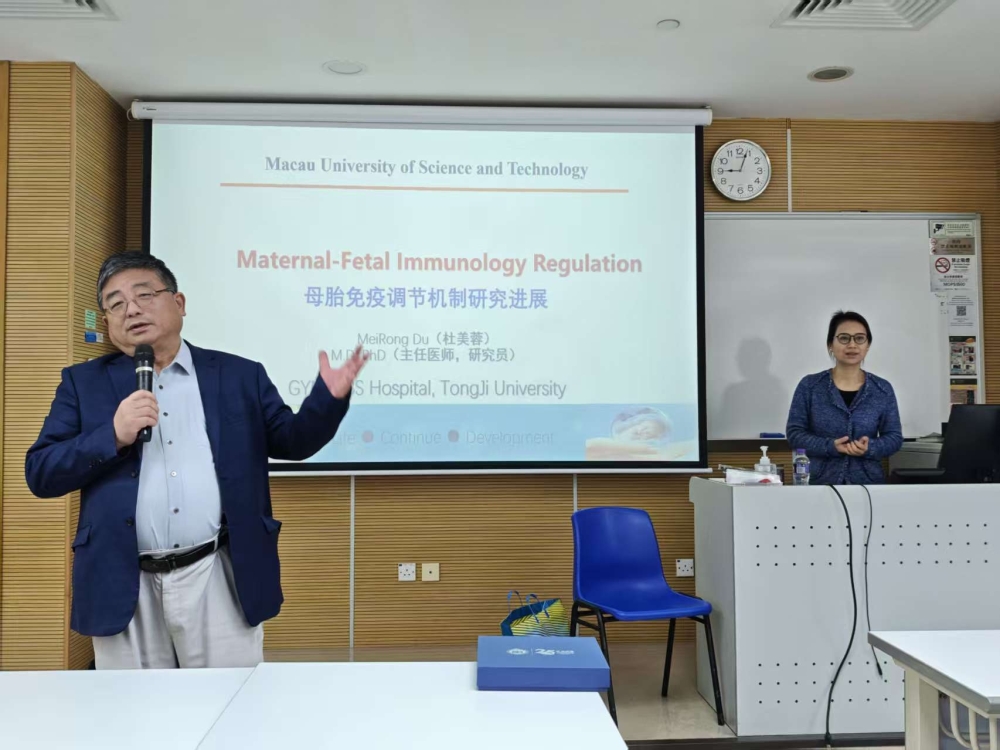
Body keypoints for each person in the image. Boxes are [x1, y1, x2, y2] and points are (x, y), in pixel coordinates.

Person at [25, 251, 367, 669]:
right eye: (115, 303)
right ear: (109, 322)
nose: (131, 309)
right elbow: (41, 471)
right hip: (123, 581)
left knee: (229, 703)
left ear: (179, 303)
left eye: (144, 295)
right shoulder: (83, 384)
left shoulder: (239, 376)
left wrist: (327, 400)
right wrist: (111, 435)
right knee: (132, 708)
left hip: (217, 575)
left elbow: (293, 441)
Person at [786, 311, 903, 484]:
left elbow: (894, 437)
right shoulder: (810, 386)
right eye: (844, 338)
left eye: (859, 338)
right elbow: (795, 434)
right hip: (820, 482)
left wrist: (870, 447)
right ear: (830, 345)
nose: (852, 345)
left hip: (868, 484)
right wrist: (830, 446)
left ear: (868, 345)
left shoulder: (882, 389)